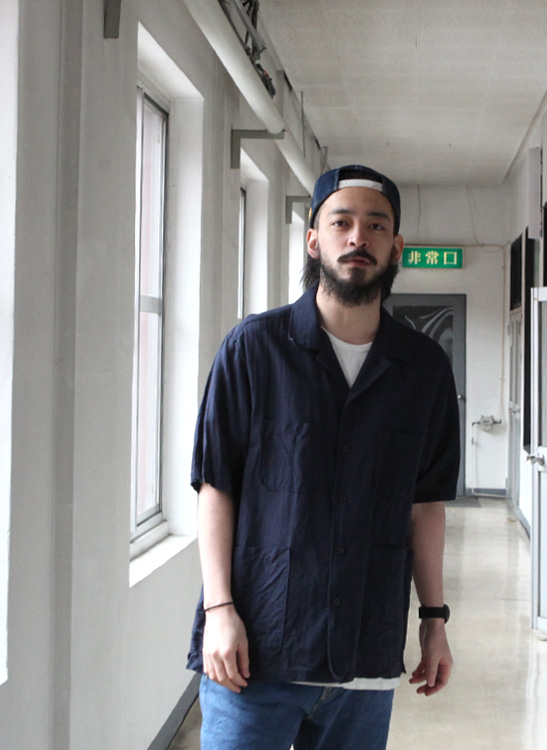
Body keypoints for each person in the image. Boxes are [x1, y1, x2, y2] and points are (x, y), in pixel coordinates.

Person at [187, 164, 460, 750]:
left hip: (365, 651)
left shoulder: (424, 370)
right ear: (314, 240)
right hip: (257, 651)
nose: (358, 237)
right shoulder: (254, 350)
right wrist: (218, 609)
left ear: (396, 248)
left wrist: (434, 619)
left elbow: (425, 505)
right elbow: (216, 486)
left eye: (376, 225)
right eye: (341, 222)